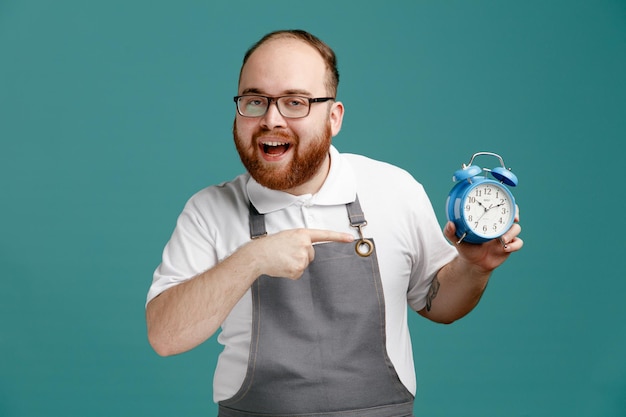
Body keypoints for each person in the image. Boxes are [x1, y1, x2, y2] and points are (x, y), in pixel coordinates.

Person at [145, 29, 523, 417]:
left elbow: (438, 303)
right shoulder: (209, 210)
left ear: (334, 116)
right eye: (255, 101)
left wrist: (475, 268)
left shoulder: (394, 188)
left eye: (295, 102)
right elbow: (164, 336)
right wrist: (252, 259)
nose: (271, 119)